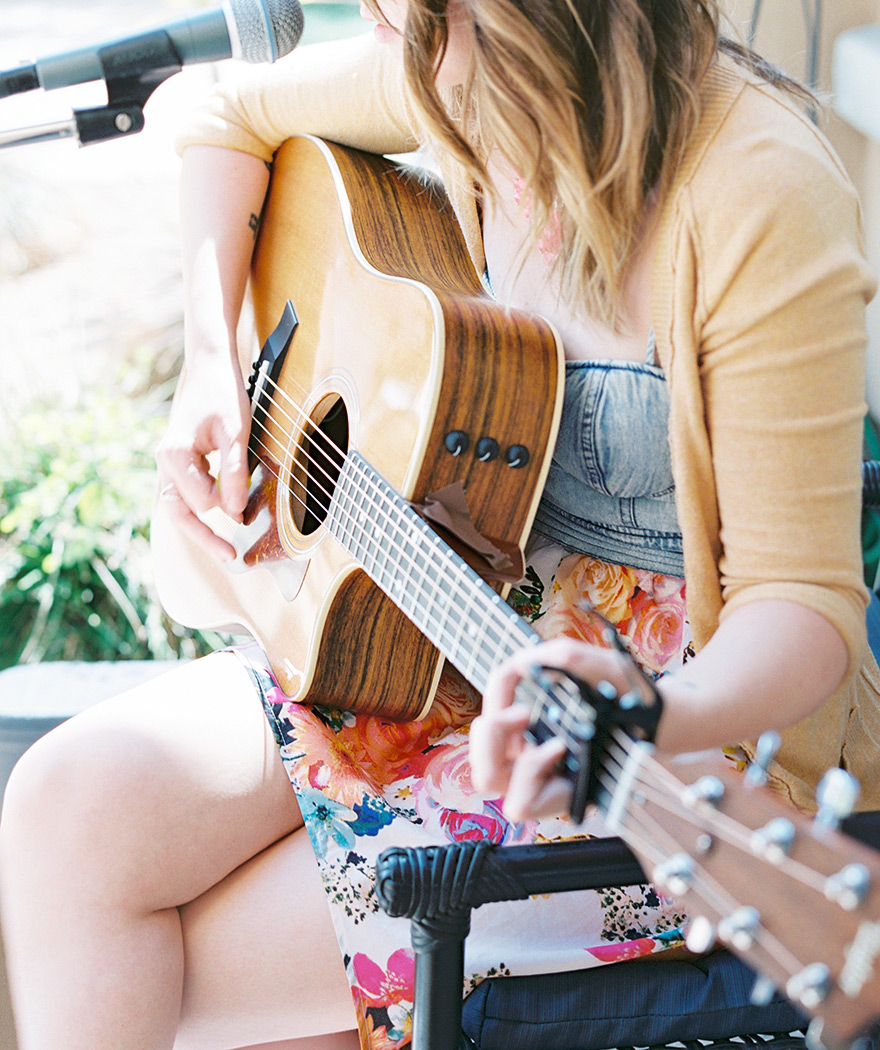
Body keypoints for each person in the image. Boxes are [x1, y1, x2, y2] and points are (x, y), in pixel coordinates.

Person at [2, 2, 880, 1050]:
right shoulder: (454, 74)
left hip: (667, 733)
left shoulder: (758, 186)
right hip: (428, 618)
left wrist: (651, 714)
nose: (374, 13)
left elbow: (803, 605)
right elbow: (221, 115)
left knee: (183, 968)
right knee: (65, 803)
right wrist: (210, 361)